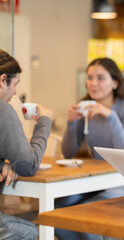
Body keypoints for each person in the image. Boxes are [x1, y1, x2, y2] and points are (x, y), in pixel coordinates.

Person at [57, 58, 124, 240]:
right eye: (90, 78)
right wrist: (72, 123)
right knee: (57, 210)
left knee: (88, 217)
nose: (93, 84)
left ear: (115, 83)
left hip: (123, 180)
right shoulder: (85, 107)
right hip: (94, 180)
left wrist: (111, 117)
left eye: (101, 78)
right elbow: (68, 152)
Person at [0, 49, 54, 239]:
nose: (15, 92)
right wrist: (45, 120)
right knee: (30, 230)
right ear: (2, 80)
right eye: (15, 85)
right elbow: (28, 164)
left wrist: (5, 163)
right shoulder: (3, 110)